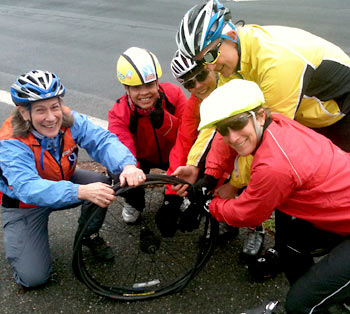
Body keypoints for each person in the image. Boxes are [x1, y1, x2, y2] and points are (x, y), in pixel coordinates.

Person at [176, 0, 350, 266]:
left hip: (341, 116)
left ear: (230, 36)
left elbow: (265, 143)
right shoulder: (234, 62)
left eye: (210, 56)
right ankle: (290, 248)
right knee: (288, 185)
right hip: (309, 114)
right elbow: (222, 121)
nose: (209, 69)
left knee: (318, 190)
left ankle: (329, 261)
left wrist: (233, 185)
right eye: (202, 63)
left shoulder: (275, 63)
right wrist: (202, 170)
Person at [192, 79, 350, 313]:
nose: (233, 137)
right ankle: (327, 293)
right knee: (291, 245)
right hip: (341, 214)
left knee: (299, 303)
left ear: (259, 116)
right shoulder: (277, 123)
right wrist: (211, 176)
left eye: (237, 123)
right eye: (224, 129)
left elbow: (247, 213)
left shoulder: (273, 166)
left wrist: (211, 205)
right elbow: (227, 139)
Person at [0, 70, 146, 289]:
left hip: (63, 179)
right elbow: (27, 187)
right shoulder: (11, 140)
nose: (51, 117)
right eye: (40, 110)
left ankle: (89, 234)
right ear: (24, 112)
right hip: (24, 204)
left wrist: (127, 164)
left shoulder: (68, 119)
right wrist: (80, 191)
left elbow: (102, 140)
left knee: (104, 186)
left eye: (54, 106)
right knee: (34, 278)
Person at [108, 47, 187, 223]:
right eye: (136, 87)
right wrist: (132, 177)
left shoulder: (175, 95)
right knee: (116, 168)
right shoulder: (118, 112)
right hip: (140, 159)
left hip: (172, 154)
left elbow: (187, 139)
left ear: (157, 82)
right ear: (126, 87)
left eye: (149, 85)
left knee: (194, 159)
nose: (144, 93)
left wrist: (165, 122)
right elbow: (123, 150)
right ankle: (133, 202)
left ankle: (180, 194)